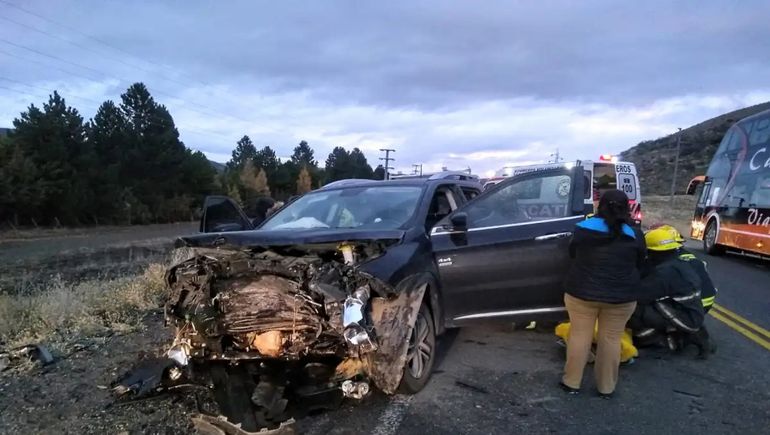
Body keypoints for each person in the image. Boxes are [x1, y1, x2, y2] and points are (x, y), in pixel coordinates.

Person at [562, 189, 646, 398]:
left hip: (582, 293)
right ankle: (606, 388)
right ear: (627, 208)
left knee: (580, 336)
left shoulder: (582, 229)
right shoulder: (635, 234)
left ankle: (571, 383)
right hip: (621, 298)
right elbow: (641, 262)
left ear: (601, 206)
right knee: (611, 339)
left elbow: (572, 254)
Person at [629, 226, 714, 358]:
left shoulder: (665, 273)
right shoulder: (679, 262)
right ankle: (689, 333)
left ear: (653, 252)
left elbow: (640, 295)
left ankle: (668, 343)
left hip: (685, 317)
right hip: (691, 312)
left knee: (633, 312)